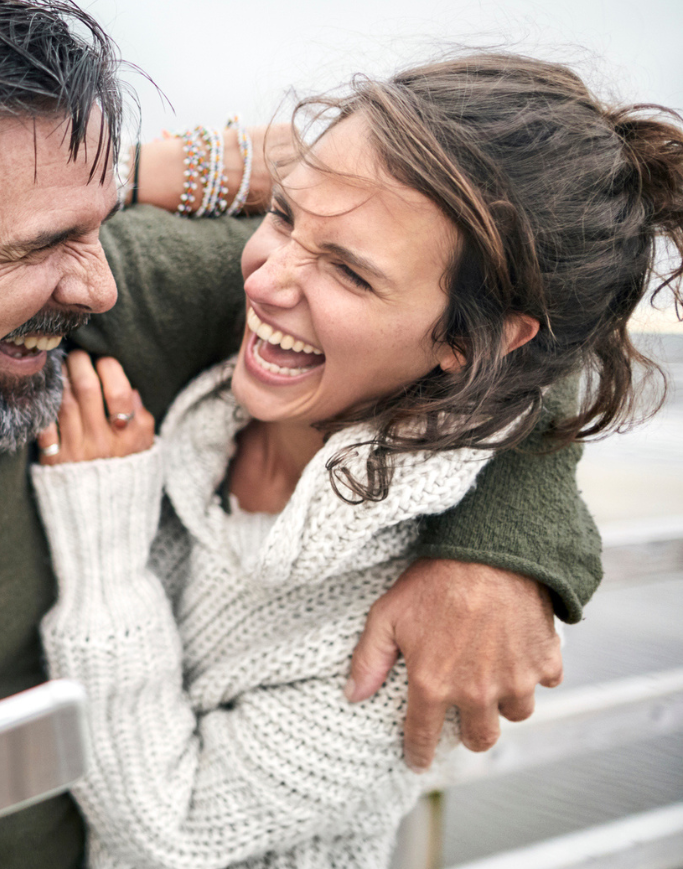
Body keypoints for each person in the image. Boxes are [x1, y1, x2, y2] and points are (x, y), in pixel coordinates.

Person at [0, 0, 599, 869]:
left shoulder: (139, 299)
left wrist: (501, 548)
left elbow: (512, 322)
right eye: (40, 245)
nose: (97, 282)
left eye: (99, 223)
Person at [33, 52, 683, 867]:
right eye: (284, 217)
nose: (267, 280)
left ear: (471, 341)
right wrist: (136, 171)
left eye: (349, 272)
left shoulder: (423, 635)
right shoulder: (215, 392)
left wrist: (103, 551)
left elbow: (174, 833)